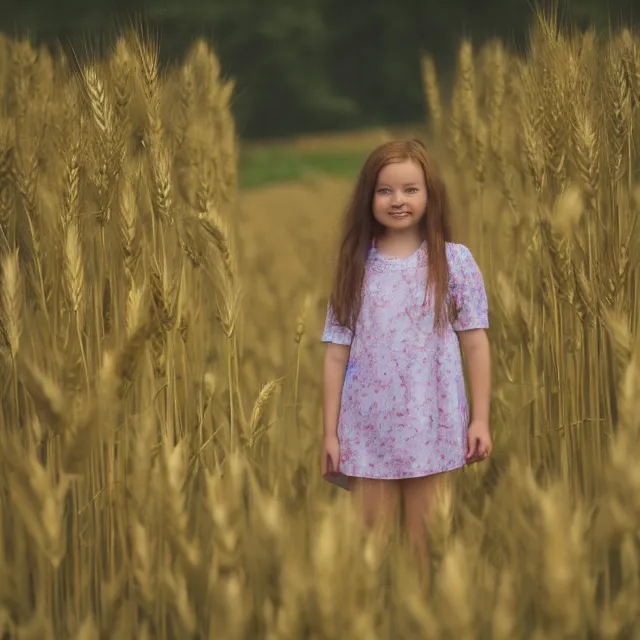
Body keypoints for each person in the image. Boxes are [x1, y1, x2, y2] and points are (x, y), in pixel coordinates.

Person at [320, 139, 492, 575]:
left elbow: (475, 343)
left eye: (410, 189)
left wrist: (480, 419)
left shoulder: (454, 262)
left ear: (430, 194)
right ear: (368, 198)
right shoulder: (354, 265)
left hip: (431, 423)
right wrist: (330, 434)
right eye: (385, 191)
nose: (398, 200)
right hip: (367, 428)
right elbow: (336, 355)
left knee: (425, 547)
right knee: (369, 550)